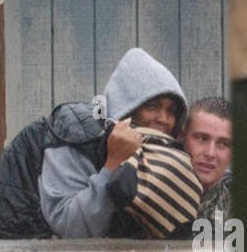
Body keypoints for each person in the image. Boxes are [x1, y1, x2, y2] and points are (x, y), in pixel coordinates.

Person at [39, 47, 189, 238]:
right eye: (152, 107)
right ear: (126, 109)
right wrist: (113, 164)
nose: (164, 119)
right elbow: (71, 229)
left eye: (172, 111)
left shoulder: (159, 156)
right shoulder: (76, 136)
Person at [183, 97, 233, 222]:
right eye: (202, 139)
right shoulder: (151, 192)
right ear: (182, 137)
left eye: (223, 144)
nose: (210, 153)